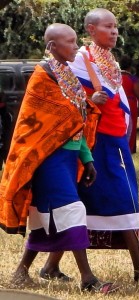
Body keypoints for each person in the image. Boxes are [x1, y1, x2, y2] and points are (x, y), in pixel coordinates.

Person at [44, 8, 139, 283]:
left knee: (98, 204)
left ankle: (51, 266)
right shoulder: (79, 61)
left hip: (115, 143)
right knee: (119, 201)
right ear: (90, 30)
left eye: (116, 27)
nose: (114, 32)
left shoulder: (107, 62)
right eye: (108, 27)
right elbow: (66, 98)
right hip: (96, 145)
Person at [0, 23, 117, 294]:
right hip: (47, 161)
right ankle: (88, 279)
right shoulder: (42, 77)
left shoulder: (67, 75)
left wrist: (87, 159)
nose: (76, 46)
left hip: (67, 159)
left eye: (76, 41)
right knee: (71, 211)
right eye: (70, 42)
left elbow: (77, 121)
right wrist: (87, 106)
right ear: (53, 46)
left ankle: (21, 272)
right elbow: (62, 119)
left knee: (46, 219)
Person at [119, 55, 139, 153]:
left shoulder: (115, 78)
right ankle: (129, 148)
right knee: (130, 126)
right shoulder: (133, 79)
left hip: (117, 103)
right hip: (130, 104)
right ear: (130, 66)